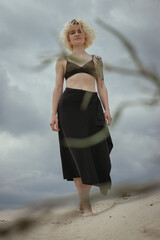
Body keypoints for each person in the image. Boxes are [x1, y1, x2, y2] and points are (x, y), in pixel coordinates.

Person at [50, 18, 113, 217]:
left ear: (85, 35)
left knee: (96, 151)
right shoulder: (62, 61)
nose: (76, 34)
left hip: (92, 106)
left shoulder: (97, 60)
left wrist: (107, 109)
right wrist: (53, 114)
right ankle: (86, 206)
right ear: (68, 37)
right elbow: (58, 88)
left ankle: (83, 200)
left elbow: (101, 86)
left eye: (79, 31)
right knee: (78, 156)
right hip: (69, 108)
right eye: (72, 32)